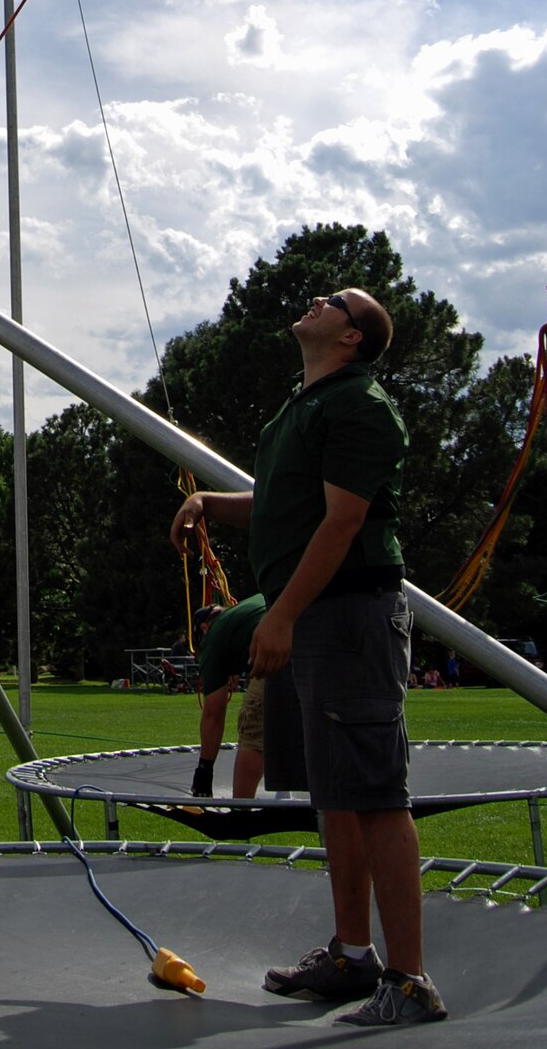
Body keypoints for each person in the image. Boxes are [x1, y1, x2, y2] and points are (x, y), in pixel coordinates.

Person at [170, 289, 447, 1028]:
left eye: (335, 302)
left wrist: (282, 614)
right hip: (322, 613)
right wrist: (209, 505)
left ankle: (411, 980)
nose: (317, 300)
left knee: (378, 795)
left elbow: (343, 518)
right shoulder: (300, 407)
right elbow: (280, 503)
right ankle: (353, 955)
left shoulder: (359, 405)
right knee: (337, 799)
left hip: (349, 612)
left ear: (352, 338)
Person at [189, 595, 266, 799]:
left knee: (253, 729)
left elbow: (213, 714)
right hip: (319, 635)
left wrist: (204, 769)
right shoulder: (245, 612)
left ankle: (241, 812)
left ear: (204, 628)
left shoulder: (214, 637)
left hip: (281, 651)